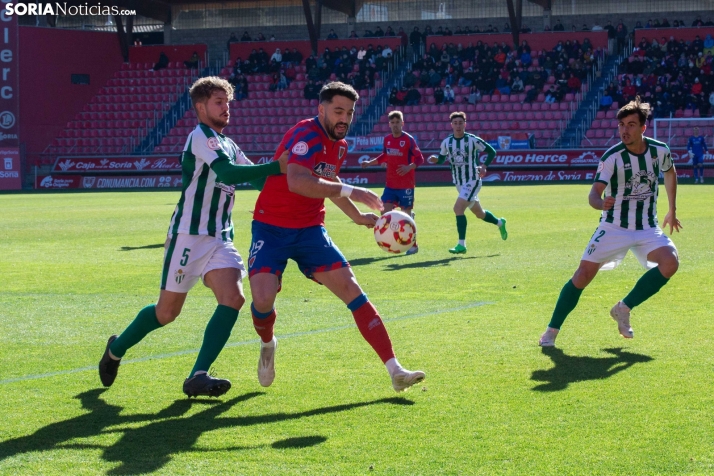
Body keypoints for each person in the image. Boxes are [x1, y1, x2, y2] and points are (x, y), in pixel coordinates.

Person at [98, 77, 288, 397]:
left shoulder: (229, 143)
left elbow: (259, 183)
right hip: (188, 235)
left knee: (233, 298)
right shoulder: (200, 136)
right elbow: (228, 174)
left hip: (220, 238)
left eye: (227, 102)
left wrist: (299, 186)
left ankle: (197, 376)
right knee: (167, 313)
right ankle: (116, 349)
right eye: (218, 102)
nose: (225, 108)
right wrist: (275, 167)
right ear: (201, 107)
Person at [247, 82, 426, 392]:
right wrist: (353, 190)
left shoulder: (340, 145)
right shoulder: (305, 135)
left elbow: (327, 179)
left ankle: (395, 370)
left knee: (352, 288)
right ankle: (267, 343)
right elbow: (297, 181)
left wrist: (356, 216)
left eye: (350, 113)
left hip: (310, 230)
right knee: (263, 299)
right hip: (271, 227)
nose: (344, 118)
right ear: (321, 110)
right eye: (338, 111)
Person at [539, 97, 682, 347]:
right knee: (583, 275)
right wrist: (599, 202)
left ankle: (623, 308)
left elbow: (670, 172)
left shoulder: (660, 150)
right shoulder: (612, 157)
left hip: (647, 226)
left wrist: (672, 209)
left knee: (670, 262)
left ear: (643, 128)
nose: (624, 130)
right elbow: (594, 193)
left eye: (631, 125)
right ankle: (551, 330)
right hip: (613, 226)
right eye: (621, 125)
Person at [427, 112, 508, 254]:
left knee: (458, 209)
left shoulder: (472, 140)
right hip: (459, 183)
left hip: (473, 180)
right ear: (451, 125)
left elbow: (491, 151)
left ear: (465, 124)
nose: (458, 126)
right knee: (479, 213)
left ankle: (461, 245)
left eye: (460, 123)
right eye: (455, 123)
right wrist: (435, 159)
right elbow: (441, 159)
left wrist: (484, 166)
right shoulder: (447, 142)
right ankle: (500, 223)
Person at [361, 110, 425, 254]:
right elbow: (385, 155)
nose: (395, 125)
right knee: (384, 213)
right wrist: (370, 163)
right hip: (390, 184)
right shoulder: (387, 139)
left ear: (403, 123)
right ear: (389, 124)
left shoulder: (408, 139)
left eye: (398, 122)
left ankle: (413, 245)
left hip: (406, 185)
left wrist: (409, 167)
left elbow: (420, 158)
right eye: (392, 123)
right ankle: (391, 240)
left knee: (406, 217)